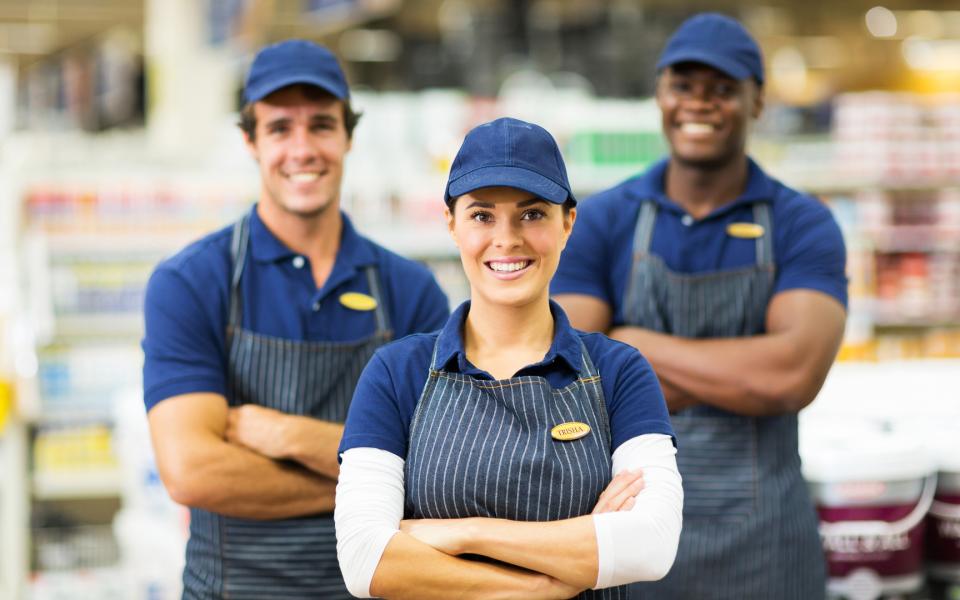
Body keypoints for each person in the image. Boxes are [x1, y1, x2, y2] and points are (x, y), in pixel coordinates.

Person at [552, 13, 847, 600]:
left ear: (756, 101)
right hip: (629, 537)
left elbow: (790, 374)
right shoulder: (605, 219)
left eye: (722, 89)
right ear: (659, 95)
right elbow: (569, 376)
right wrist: (738, 376)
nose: (699, 104)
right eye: (683, 86)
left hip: (766, 549)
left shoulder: (801, 223)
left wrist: (636, 345)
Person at [141, 40, 449, 599]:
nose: (302, 148)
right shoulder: (192, 282)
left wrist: (287, 435)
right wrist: (374, 474)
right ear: (250, 141)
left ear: (349, 136)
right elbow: (192, 471)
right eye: (281, 128)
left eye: (322, 125)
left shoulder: (410, 290)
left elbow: (440, 466)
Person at [334, 117, 683, 599]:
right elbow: (364, 561)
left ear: (568, 224)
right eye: (482, 215)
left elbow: (652, 545)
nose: (507, 238)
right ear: (451, 224)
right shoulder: (398, 372)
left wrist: (462, 533)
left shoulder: (619, 372)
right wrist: (549, 582)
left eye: (532, 214)